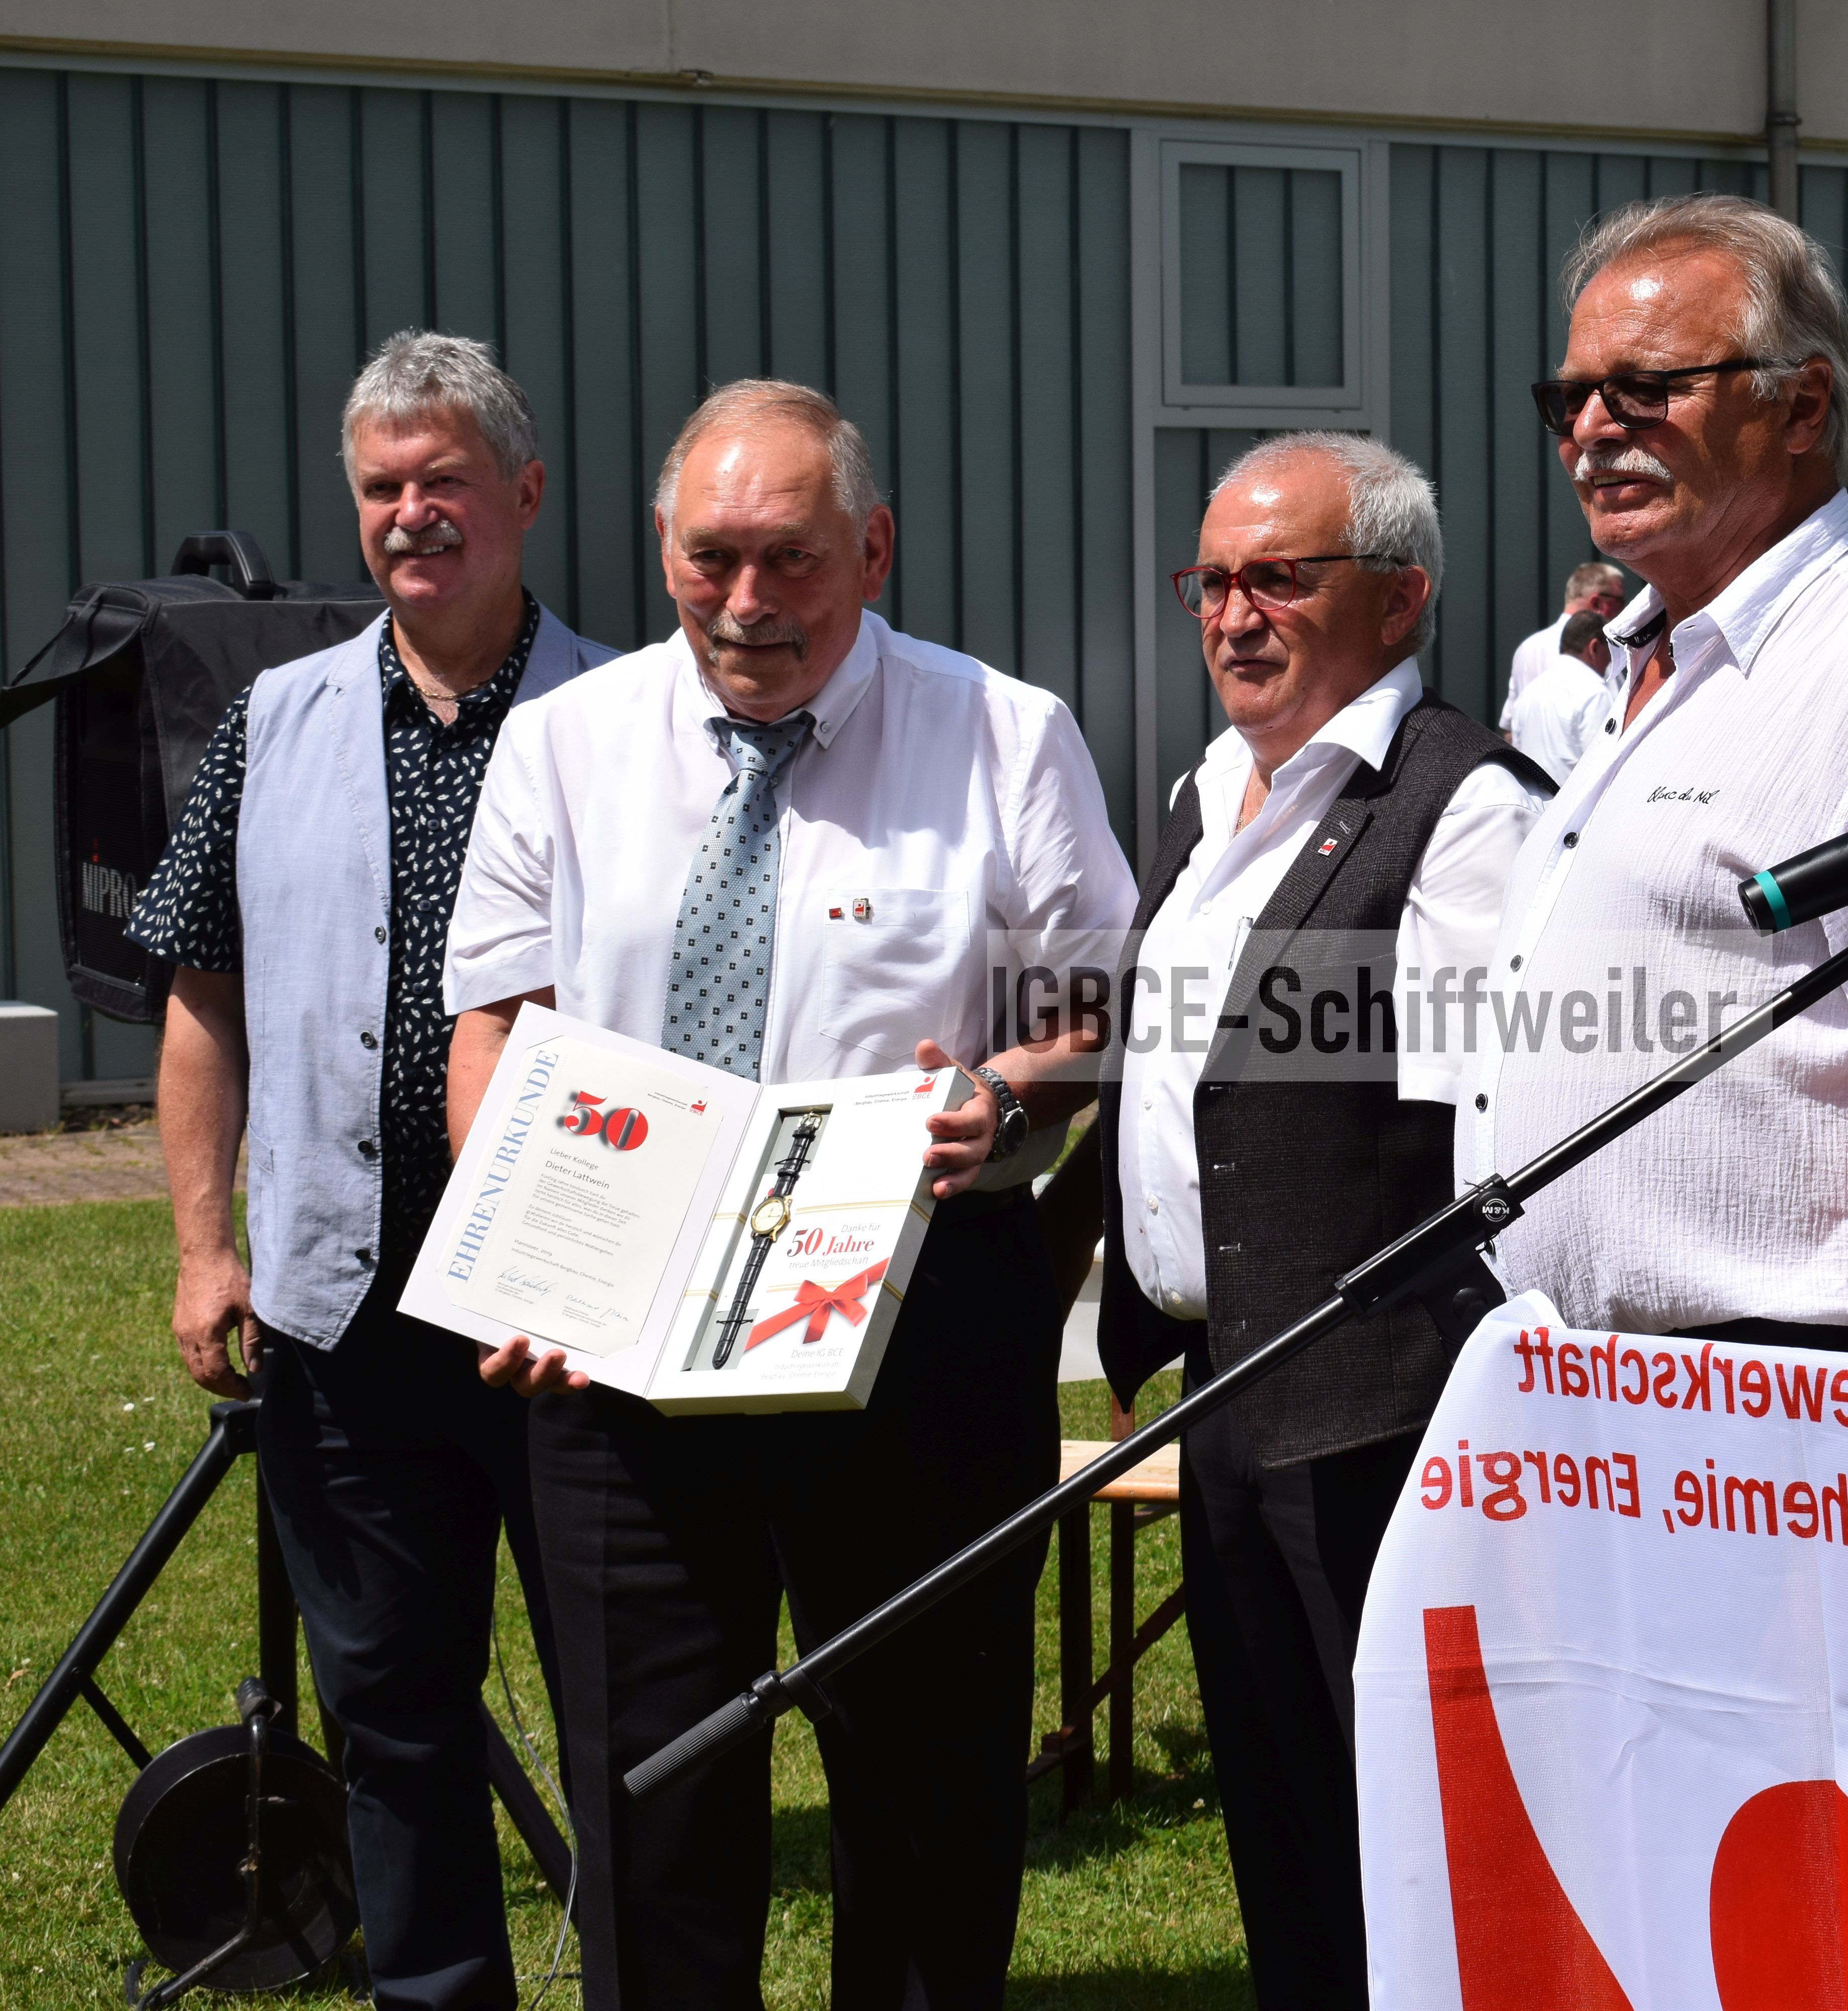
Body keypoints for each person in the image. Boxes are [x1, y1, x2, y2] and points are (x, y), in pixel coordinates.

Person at [442, 378, 1135, 2011]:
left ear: (873, 550)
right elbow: (499, 1023)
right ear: (661, 548)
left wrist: (1010, 1088)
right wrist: (518, 1263)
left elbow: (1108, 1002)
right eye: (712, 558)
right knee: (650, 1794)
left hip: (915, 1316)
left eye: (792, 560)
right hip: (620, 1337)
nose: (747, 600)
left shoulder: (1001, 734)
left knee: (929, 1781)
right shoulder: (566, 742)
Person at [129, 330, 613, 2011]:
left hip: (570, 1311)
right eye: (384, 487)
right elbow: (201, 994)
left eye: (447, 481)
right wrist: (208, 1248)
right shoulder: (276, 720)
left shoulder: (630, 716)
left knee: (627, 1711)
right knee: (394, 1720)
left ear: (525, 493)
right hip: (345, 1309)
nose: (415, 514)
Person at [1098, 433, 1546, 2008]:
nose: (1234, 615)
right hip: (1223, 1390)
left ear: (1399, 597)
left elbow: (1492, 1127)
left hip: (1377, 1410)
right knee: (1280, 1822)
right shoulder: (1206, 793)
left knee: (1401, 1831)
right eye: (1212, 581)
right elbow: (1178, 1071)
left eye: (1279, 577)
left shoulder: (1462, 804)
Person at [1464, 191, 1848, 1366]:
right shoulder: (1640, 661)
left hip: (1768, 1385)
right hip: (1561, 1380)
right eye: (1570, 398)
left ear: (1802, 405)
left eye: (1645, 389)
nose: (1593, 430)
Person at [1499, 557, 1626, 719]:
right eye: (1619, 601)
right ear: (1597, 603)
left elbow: (1511, 725)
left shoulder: (1529, 648)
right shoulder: (1601, 647)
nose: (1623, 609)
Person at [1498, 608, 1613, 783]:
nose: (1610, 661)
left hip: (1533, 798)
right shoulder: (1596, 693)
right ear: (1594, 647)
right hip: (1577, 798)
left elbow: (1518, 754)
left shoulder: (1528, 694)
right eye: (1609, 651)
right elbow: (1603, 765)